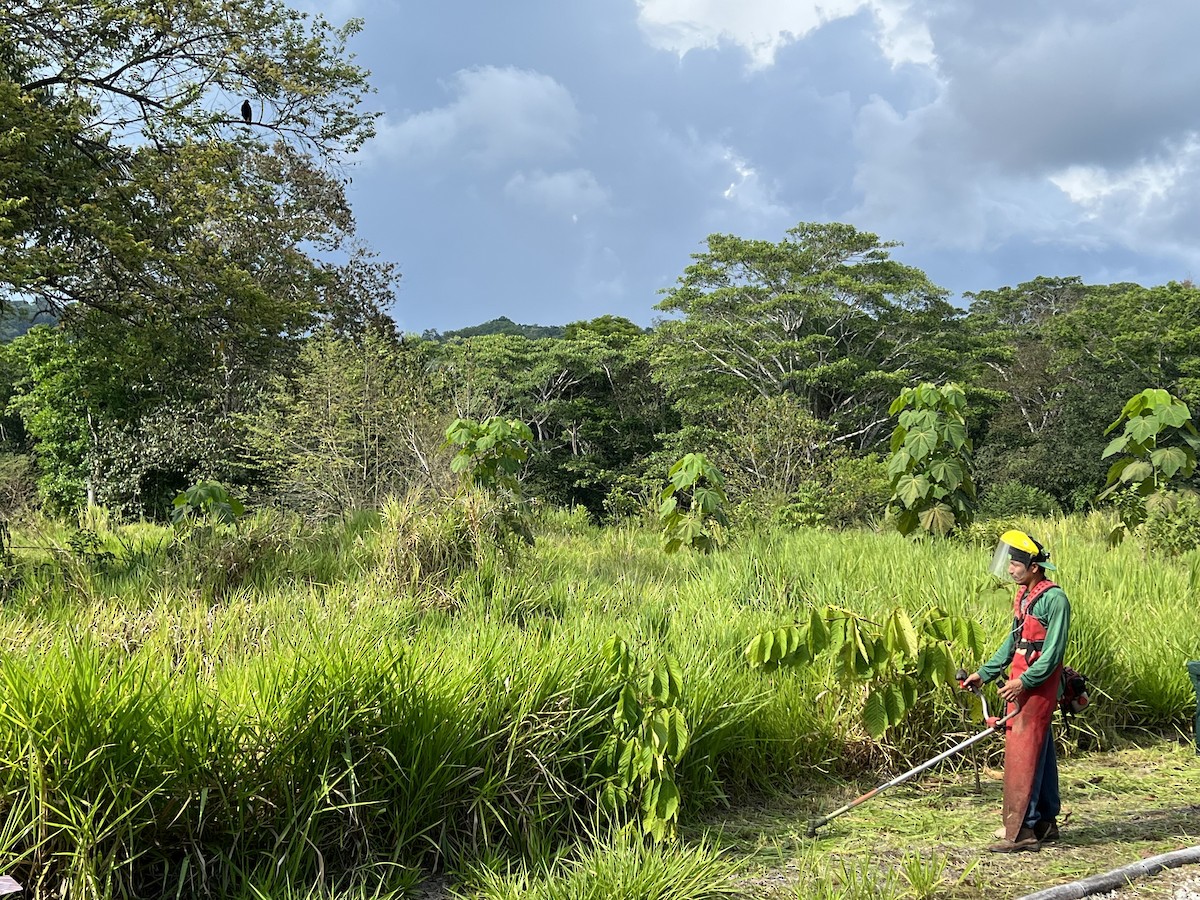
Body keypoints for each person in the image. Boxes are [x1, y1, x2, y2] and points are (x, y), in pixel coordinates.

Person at [963, 530, 1071, 853]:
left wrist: (1024, 682)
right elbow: (1012, 644)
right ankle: (1046, 821)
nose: (1010, 569)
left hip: (1039, 686)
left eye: (1016, 563)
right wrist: (983, 674)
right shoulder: (1024, 597)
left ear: (1034, 566)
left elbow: (1052, 654)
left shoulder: (1055, 600)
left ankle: (1022, 830)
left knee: (1024, 753)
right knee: (1041, 748)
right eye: (1008, 562)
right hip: (1019, 684)